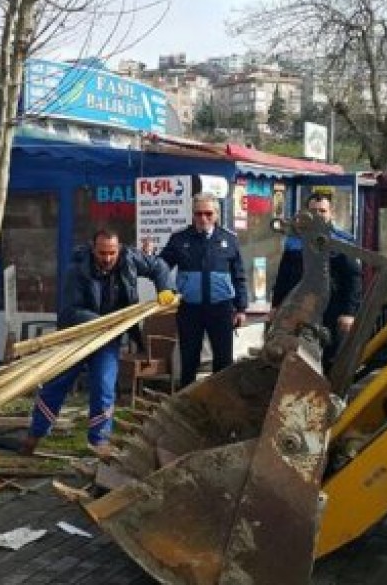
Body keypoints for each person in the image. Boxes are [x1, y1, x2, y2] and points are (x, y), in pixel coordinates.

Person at [21, 229, 175, 459]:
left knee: (104, 386)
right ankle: (35, 433)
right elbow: (70, 310)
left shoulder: (130, 258)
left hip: (108, 338)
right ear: (93, 249)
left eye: (112, 252)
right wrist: (102, 322)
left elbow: (159, 266)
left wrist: (164, 288)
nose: (107, 258)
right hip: (78, 336)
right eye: (102, 253)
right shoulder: (77, 270)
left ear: (119, 249)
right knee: (57, 384)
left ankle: (99, 441)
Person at [159, 192, 248, 387]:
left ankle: (221, 403)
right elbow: (161, 267)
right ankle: (185, 405)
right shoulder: (179, 239)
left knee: (224, 361)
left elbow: (239, 276)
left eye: (208, 213)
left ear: (216, 214)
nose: (203, 218)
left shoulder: (229, 239)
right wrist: (165, 289)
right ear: (192, 215)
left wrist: (241, 308)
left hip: (221, 308)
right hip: (190, 309)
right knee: (189, 360)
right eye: (198, 214)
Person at [271, 193, 362, 368]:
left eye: (323, 211)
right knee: (294, 354)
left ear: (331, 213)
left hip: (332, 308)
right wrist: (276, 306)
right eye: (314, 211)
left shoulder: (342, 240)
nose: (318, 215)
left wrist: (349, 313)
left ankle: (328, 392)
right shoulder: (294, 241)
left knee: (331, 356)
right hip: (300, 307)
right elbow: (284, 275)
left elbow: (353, 278)